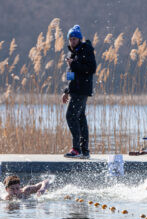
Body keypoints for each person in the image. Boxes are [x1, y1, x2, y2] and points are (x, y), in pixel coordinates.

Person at [62, 25, 97, 159]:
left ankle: (76, 149)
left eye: (75, 38)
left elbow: (92, 68)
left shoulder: (86, 50)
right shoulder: (72, 53)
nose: (72, 41)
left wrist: (74, 64)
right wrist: (66, 91)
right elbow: (72, 75)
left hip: (82, 90)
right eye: (70, 39)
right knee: (80, 119)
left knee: (70, 116)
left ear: (79, 39)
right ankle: (84, 151)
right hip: (75, 90)